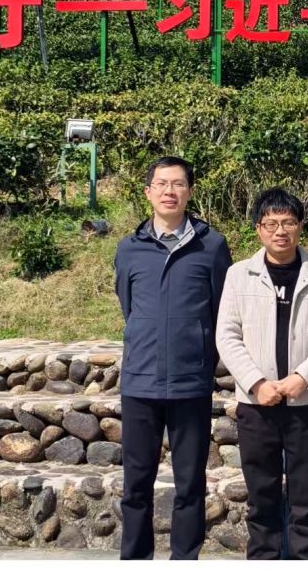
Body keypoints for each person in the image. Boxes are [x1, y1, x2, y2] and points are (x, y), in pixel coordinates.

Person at [216, 188, 308, 560]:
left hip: (306, 403)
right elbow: (227, 334)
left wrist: (302, 377)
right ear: (258, 228)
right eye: (270, 223)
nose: (280, 231)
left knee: (307, 497)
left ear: (300, 225)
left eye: (288, 222)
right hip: (256, 405)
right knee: (262, 498)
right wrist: (257, 383)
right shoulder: (239, 275)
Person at [115, 156, 234, 560]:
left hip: (190, 382)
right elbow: (129, 306)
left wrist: (199, 352)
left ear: (190, 192)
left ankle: (185, 559)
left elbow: (221, 311)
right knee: (136, 485)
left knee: (190, 485)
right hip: (140, 381)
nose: (170, 191)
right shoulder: (129, 248)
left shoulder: (211, 246)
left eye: (178, 184)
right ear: (148, 192)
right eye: (162, 184)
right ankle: (135, 559)